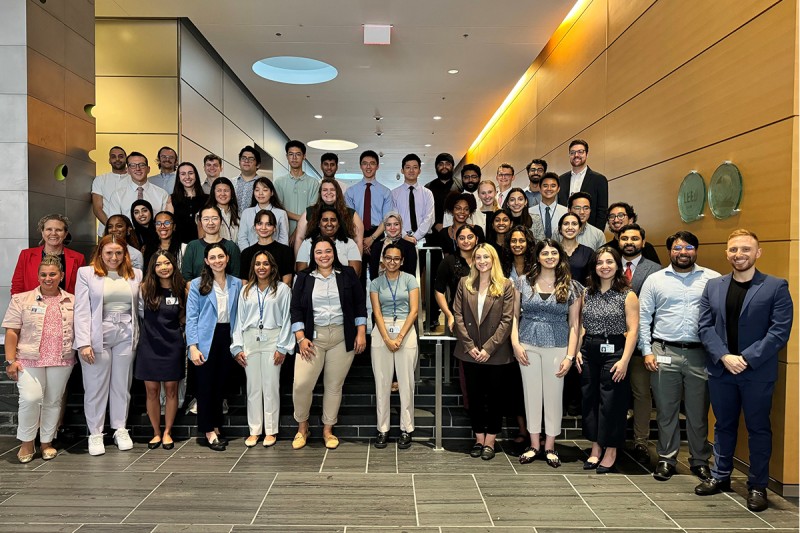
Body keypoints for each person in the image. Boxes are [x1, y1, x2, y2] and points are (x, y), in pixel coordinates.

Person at [695, 229, 793, 512]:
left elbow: (779, 332)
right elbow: (704, 326)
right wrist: (724, 356)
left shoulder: (776, 287)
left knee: (758, 428)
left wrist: (746, 358)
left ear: (758, 253)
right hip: (721, 369)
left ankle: (758, 486)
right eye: (734, 250)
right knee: (722, 425)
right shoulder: (714, 286)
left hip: (756, 372)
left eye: (745, 249)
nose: (739, 255)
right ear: (727, 253)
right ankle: (720, 476)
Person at [638, 231, 718, 483]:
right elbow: (643, 317)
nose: (683, 252)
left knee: (697, 412)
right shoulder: (655, 280)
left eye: (688, 247)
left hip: (699, 354)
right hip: (663, 351)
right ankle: (666, 458)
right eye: (677, 248)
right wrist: (647, 350)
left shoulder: (713, 279)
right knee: (665, 409)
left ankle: (699, 460)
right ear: (669, 251)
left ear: (696, 250)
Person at [290, 237, 367, 450]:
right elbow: (295, 308)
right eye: (319, 252)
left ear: (334, 253)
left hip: (342, 338)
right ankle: (302, 426)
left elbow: (360, 303)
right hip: (312, 339)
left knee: (334, 386)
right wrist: (300, 338)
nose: (323, 256)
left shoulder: (348, 275)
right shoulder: (304, 277)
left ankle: (327, 430)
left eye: (327, 251)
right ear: (312, 255)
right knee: (301, 384)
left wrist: (361, 332)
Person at [511, 239, 581, 467]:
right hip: (527, 345)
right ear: (538, 257)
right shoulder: (522, 282)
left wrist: (570, 356)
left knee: (553, 397)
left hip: (558, 346)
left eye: (554, 253)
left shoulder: (572, 286)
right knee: (531, 396)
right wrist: (515, 344)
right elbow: (513, 317)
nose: (549, 256)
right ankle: (533, 444)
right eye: (545, 253)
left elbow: (574, 324)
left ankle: (550, 446)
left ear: (560, 256)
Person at [74, 235, 142, 456]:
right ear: (100, 253)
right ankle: (95, 432)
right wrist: (83, 342)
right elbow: (82, 310)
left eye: (119, 253)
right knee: (95, 385)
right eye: (109, 253)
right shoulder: (86, 273)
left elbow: (140, 308)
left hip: (126, 332)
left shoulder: (135, 275)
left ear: (125, 254)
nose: (114, 257)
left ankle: (120, 428)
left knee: (122, 384)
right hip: (98, 334)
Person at [3, 256, 76, 463]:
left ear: (61, 276)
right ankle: (27, 442)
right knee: (30, 399)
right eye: (43, 274)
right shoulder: (21, 299)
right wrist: (10, 361)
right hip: (28, 359)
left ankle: (46, 442)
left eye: (53, 274)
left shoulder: (73, 300)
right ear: (37, 276)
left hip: (61, 358)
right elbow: (12, 332)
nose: (48, 278)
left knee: (53, 401)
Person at [452, 244, 515, 461]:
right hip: (469, 352)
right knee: (474, 398)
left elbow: (507, 320)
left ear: (493, 259)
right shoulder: (464, 283)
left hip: (495, 354)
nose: (481, 261)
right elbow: (457, 315)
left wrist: (488, 348)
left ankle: (491, 440)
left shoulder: (506, 285)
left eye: (485, 257)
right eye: (478, 257)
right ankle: (479, 438)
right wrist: (470, 346)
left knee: (496, 399)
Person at [580, 246, 639, 473]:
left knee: (612, 401)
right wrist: (577, 350)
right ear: (594, 267)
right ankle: (595, 447)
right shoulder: (587, 292)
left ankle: (611, 449)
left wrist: (624, 360)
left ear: (617, 265)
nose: (604, 266)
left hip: (615, 350)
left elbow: (633, 331)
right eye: (599, 263)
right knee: (590, 399)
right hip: (589, 350)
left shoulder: (627, 294)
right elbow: (581, 326)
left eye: (609, 262)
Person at [231, 250, 293, 448]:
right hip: (250, 340)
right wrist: (237, 346)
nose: (261, 267)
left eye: (265, 263)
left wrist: (283, 347)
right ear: (253, 267)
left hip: (272, 339)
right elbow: (238, 320)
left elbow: (287, 320)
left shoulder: (282, 290)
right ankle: (254, 430)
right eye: (258, 264)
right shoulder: (246, 290)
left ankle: (271, 430)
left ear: (272, 266)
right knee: (253, 388)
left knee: (271, 386)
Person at [186, 242, 242, 451]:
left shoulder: (237, 283)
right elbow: (191, 317)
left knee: (220, 385)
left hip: (228, 336)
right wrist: (192, 346)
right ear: (206, 261)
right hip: (205, 339)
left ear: (227, 258)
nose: (217, 261)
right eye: (213, 257)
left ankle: (217, 425)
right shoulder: (197, 284)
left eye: (221, 256)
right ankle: (208, 430)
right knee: (206, 386)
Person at [616, 223, 661, 464]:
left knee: (641, 392)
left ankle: (641, 440)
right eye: (625, 238)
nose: (629, 242)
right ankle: (614, 437)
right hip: (612, 340)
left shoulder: (655, 270)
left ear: (643, 242)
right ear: (618, 241)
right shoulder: (609, 264)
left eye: (634, 238)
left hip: (641, 340)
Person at [134, 250, 187, 451]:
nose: (163, 267)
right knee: (152, 391)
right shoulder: (144, 288)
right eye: (158, 264)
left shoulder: (182, 289)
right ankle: (156, 432)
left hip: (172, 345)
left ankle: (168, 432)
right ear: (152, 268)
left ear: (173, 265)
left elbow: (183, 317)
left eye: (167, 263)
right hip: (149, 345)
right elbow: (139, 314)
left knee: (172, 390)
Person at [370, 243, 420, 449]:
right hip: (381, 330)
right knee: (382, 382)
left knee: (406, 382)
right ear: (383, 260)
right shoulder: (375, 283)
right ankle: (383, 428)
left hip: (405, 330)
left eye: (396, 259)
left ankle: (406, 428)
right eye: (388, 258)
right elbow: (377, 313)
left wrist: (399, 337)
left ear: (402, 261)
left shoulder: (410, 280)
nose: (392, 262)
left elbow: (414, 310)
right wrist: (387, 338)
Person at [344, 150, 394, 281]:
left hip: (377, 236)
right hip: (356, 235)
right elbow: (350, 218)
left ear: (377, 166)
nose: (368, 167)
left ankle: (377, 302)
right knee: (356, 275)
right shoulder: (350, 192)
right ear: (360, 166)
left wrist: (371, 239)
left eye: (372, 163)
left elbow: (387, 219)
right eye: (365, 163)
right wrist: (360, 240)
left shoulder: (386, 192)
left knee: (377, 277)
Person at [12, 214, 85, 295]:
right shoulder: (26, 255)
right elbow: (17, 286)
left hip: (67, 306)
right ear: (42, 232)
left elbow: (82, 289)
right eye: (49, 229)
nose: (53, 233)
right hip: (31, 306)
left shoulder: (78, 258)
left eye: (58, 230)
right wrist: (18, 305)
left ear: (65, 234)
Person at [294, 177, 363, 253]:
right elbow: (299, 238)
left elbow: (358, 242)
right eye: (325, 190)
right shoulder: (310, 212)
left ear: (338, 192)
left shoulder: (351, 214)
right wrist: (298, 263)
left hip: (344, 259)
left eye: (332, 190)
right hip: (315, 260)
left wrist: (357, 263)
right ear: (320, 193)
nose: (329, 192)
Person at [434, 224, 480, 332]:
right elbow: (438, 291)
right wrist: (449, 315)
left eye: (470, 237)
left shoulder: (484, 260)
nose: (466, 241)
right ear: (456, 240)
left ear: (476, 239)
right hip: (459, 315)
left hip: (483, 314)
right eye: (461, 238)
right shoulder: (449, 261)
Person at [295, 207, 362, 276]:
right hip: (313, 284)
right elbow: (301, 272)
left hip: (342, 285)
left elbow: (355, 274)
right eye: (325, 220)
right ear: (319, 224)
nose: (329, 223)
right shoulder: (307, 242)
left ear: (338, 224)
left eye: (333, 220)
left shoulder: (349, 243)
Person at [105, 151, 172, 220]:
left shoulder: (162, 194)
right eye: (133, 165)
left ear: (148, 169)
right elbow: (115, 222)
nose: (138, 169)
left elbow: (165, 221)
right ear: (127, 170)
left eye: (142, 165)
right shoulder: (117, 196)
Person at [557, 139, 608, 230]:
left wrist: (597, 235)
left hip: (589, 232)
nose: (576, 155)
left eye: (580, 152)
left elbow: (602, 212)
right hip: (565, 231)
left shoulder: (599, 179)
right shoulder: (560, 180)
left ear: (587, 154)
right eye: (572, 152)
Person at [273, 140, 320, 236]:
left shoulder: (313, 183)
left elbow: (312, 210)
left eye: (298, 154)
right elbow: (278, 208)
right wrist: (300, 218)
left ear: (304, 156)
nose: (294, 158)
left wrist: (298, 229)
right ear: (287, 157)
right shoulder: (279, 182)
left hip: (307, 233)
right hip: (283, 233)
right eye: (291, 154)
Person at [181, 206, 241, 280]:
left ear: (221, 220)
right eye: (206, 219)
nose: (210, 222)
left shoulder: (231, 246)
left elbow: (236, 277)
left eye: (215, 218)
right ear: (200, 222)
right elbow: (187, 277)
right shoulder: (193, 246)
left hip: (226, 290)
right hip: (197, 290)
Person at [239, 209, 294, 285]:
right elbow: (244, 283)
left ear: (274, 228)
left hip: (279, 295)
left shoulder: (285, 251)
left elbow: (287, 282)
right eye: (260, 223)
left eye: (268, 224)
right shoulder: (246, 253)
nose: (263, 228)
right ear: (255, 227)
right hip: (253, 295)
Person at [390, 154, 435, 245]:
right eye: (408, 167)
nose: (411, 170)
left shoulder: (427, 193)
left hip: (424, 239)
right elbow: (394, 219)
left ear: (419, 171)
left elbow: (429, 218)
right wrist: (404, 236)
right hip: (401, 239)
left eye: (415, 167)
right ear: (402, 170)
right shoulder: (394, 194)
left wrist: (416, 237)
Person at [239, 177, 290, 248]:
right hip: (251, 256)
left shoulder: (281, 213)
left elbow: (283, 240)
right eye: (257, 190)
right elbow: (242, 239)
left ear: (272, 192)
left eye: (265, 190)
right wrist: (249, 254)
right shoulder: (246, 213)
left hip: (274, 256)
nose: (260, 193)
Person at [92, 146, 128, 237]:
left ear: (126, 158)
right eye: (113, 157)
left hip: (130, 232)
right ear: (109, 160)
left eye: (120, 156)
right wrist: (111, 228)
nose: (117, 159)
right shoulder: (100, 179)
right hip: (105, 231)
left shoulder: (134, 179)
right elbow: (97, 208)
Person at [369, 211, 417, 278]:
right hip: (380, 286)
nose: (392, 228)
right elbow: (373, 274)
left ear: (401, 226)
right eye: (388, 225)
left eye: (396, 224)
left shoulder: (409, 246)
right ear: (385, 227)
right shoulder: (377, 246)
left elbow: (411, 274)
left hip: (403, 286)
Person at [171, 161, 208, 245]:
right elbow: (169, 224)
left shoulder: (207, 199)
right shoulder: (172, 199)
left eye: (190, 173)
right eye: (183, 174)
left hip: (202, 245)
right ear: (178, 177)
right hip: (179, 245)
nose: (187, 177)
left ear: (196, 175)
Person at [558, 213, 593, 286]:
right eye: (566, 224)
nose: (570, 227)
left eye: (574, 224)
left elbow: (592, 280)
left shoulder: (588, 253)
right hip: (554, 294)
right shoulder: (552, 251)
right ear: (560, 229)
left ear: (580, 229)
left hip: (581, 295)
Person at [533, 172, 567, 240]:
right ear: (539, 188)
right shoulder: (529, 212)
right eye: (545, 186)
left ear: (558, 189)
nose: (549, 189)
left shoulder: (566, 212)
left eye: (553, 186)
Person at [206, 177, 240, 243]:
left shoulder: (239, 214)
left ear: (231, 193)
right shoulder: (205, 213)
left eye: (226, 190)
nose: (223, 194)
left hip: (236, 252)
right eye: (219, 190)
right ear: (214, 193)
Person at [232, 145, 261, 216]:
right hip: (232, 224)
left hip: (254, 224)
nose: (246, 161)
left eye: (251, 159)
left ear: (258, 165)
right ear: (239, 162)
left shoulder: (263, 184)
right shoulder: (231, 183)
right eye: (243, 158)